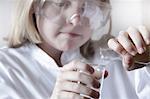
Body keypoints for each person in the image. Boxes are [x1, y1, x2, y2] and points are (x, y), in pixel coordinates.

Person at [0, 0, 149, 99]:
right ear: (33, 5)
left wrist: (147, 60)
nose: (76, 19)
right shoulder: (5, 68)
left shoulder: (119, 59)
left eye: (88, 6)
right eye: (61, 3)